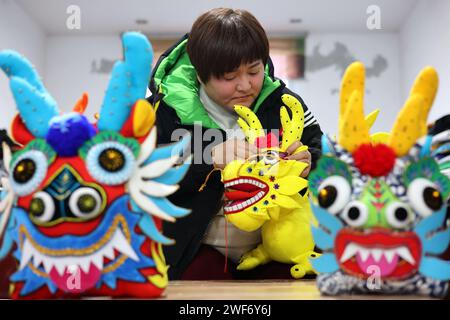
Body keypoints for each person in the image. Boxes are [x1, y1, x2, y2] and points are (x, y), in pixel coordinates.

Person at [147, 8, 323, 280]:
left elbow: (324, 158)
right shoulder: (162, 111)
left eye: (254, 71)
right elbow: (143, 179)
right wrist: (208, 159)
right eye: (229, 77)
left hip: (279, 248)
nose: (245, 86)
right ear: (200, 75)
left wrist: (310, 162)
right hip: (195, 250)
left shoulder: (287, 104)